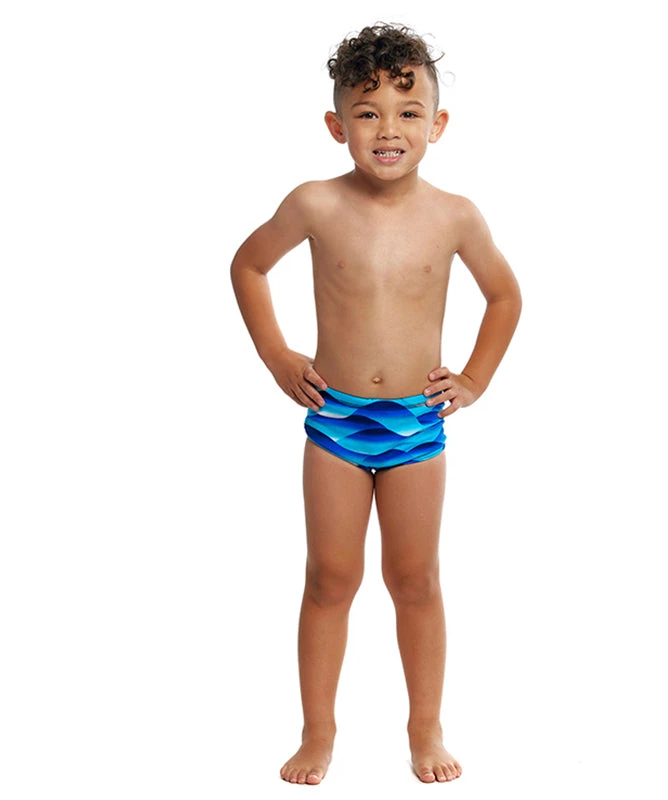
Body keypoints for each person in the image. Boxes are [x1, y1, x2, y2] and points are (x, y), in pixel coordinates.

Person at [230, 22, 522, 785]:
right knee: (330, 579)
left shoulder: (456, 216)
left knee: (415, 581)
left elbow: (505, 295)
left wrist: (474, 379)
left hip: (415, 425)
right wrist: (277, 356)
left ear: (437, 123)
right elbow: (248, 265)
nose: (388, 129)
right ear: (338, 126)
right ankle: (318, 732)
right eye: (367, 113)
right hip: (336, 421)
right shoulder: (316, 204)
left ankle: (425, 728)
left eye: (407, 111)